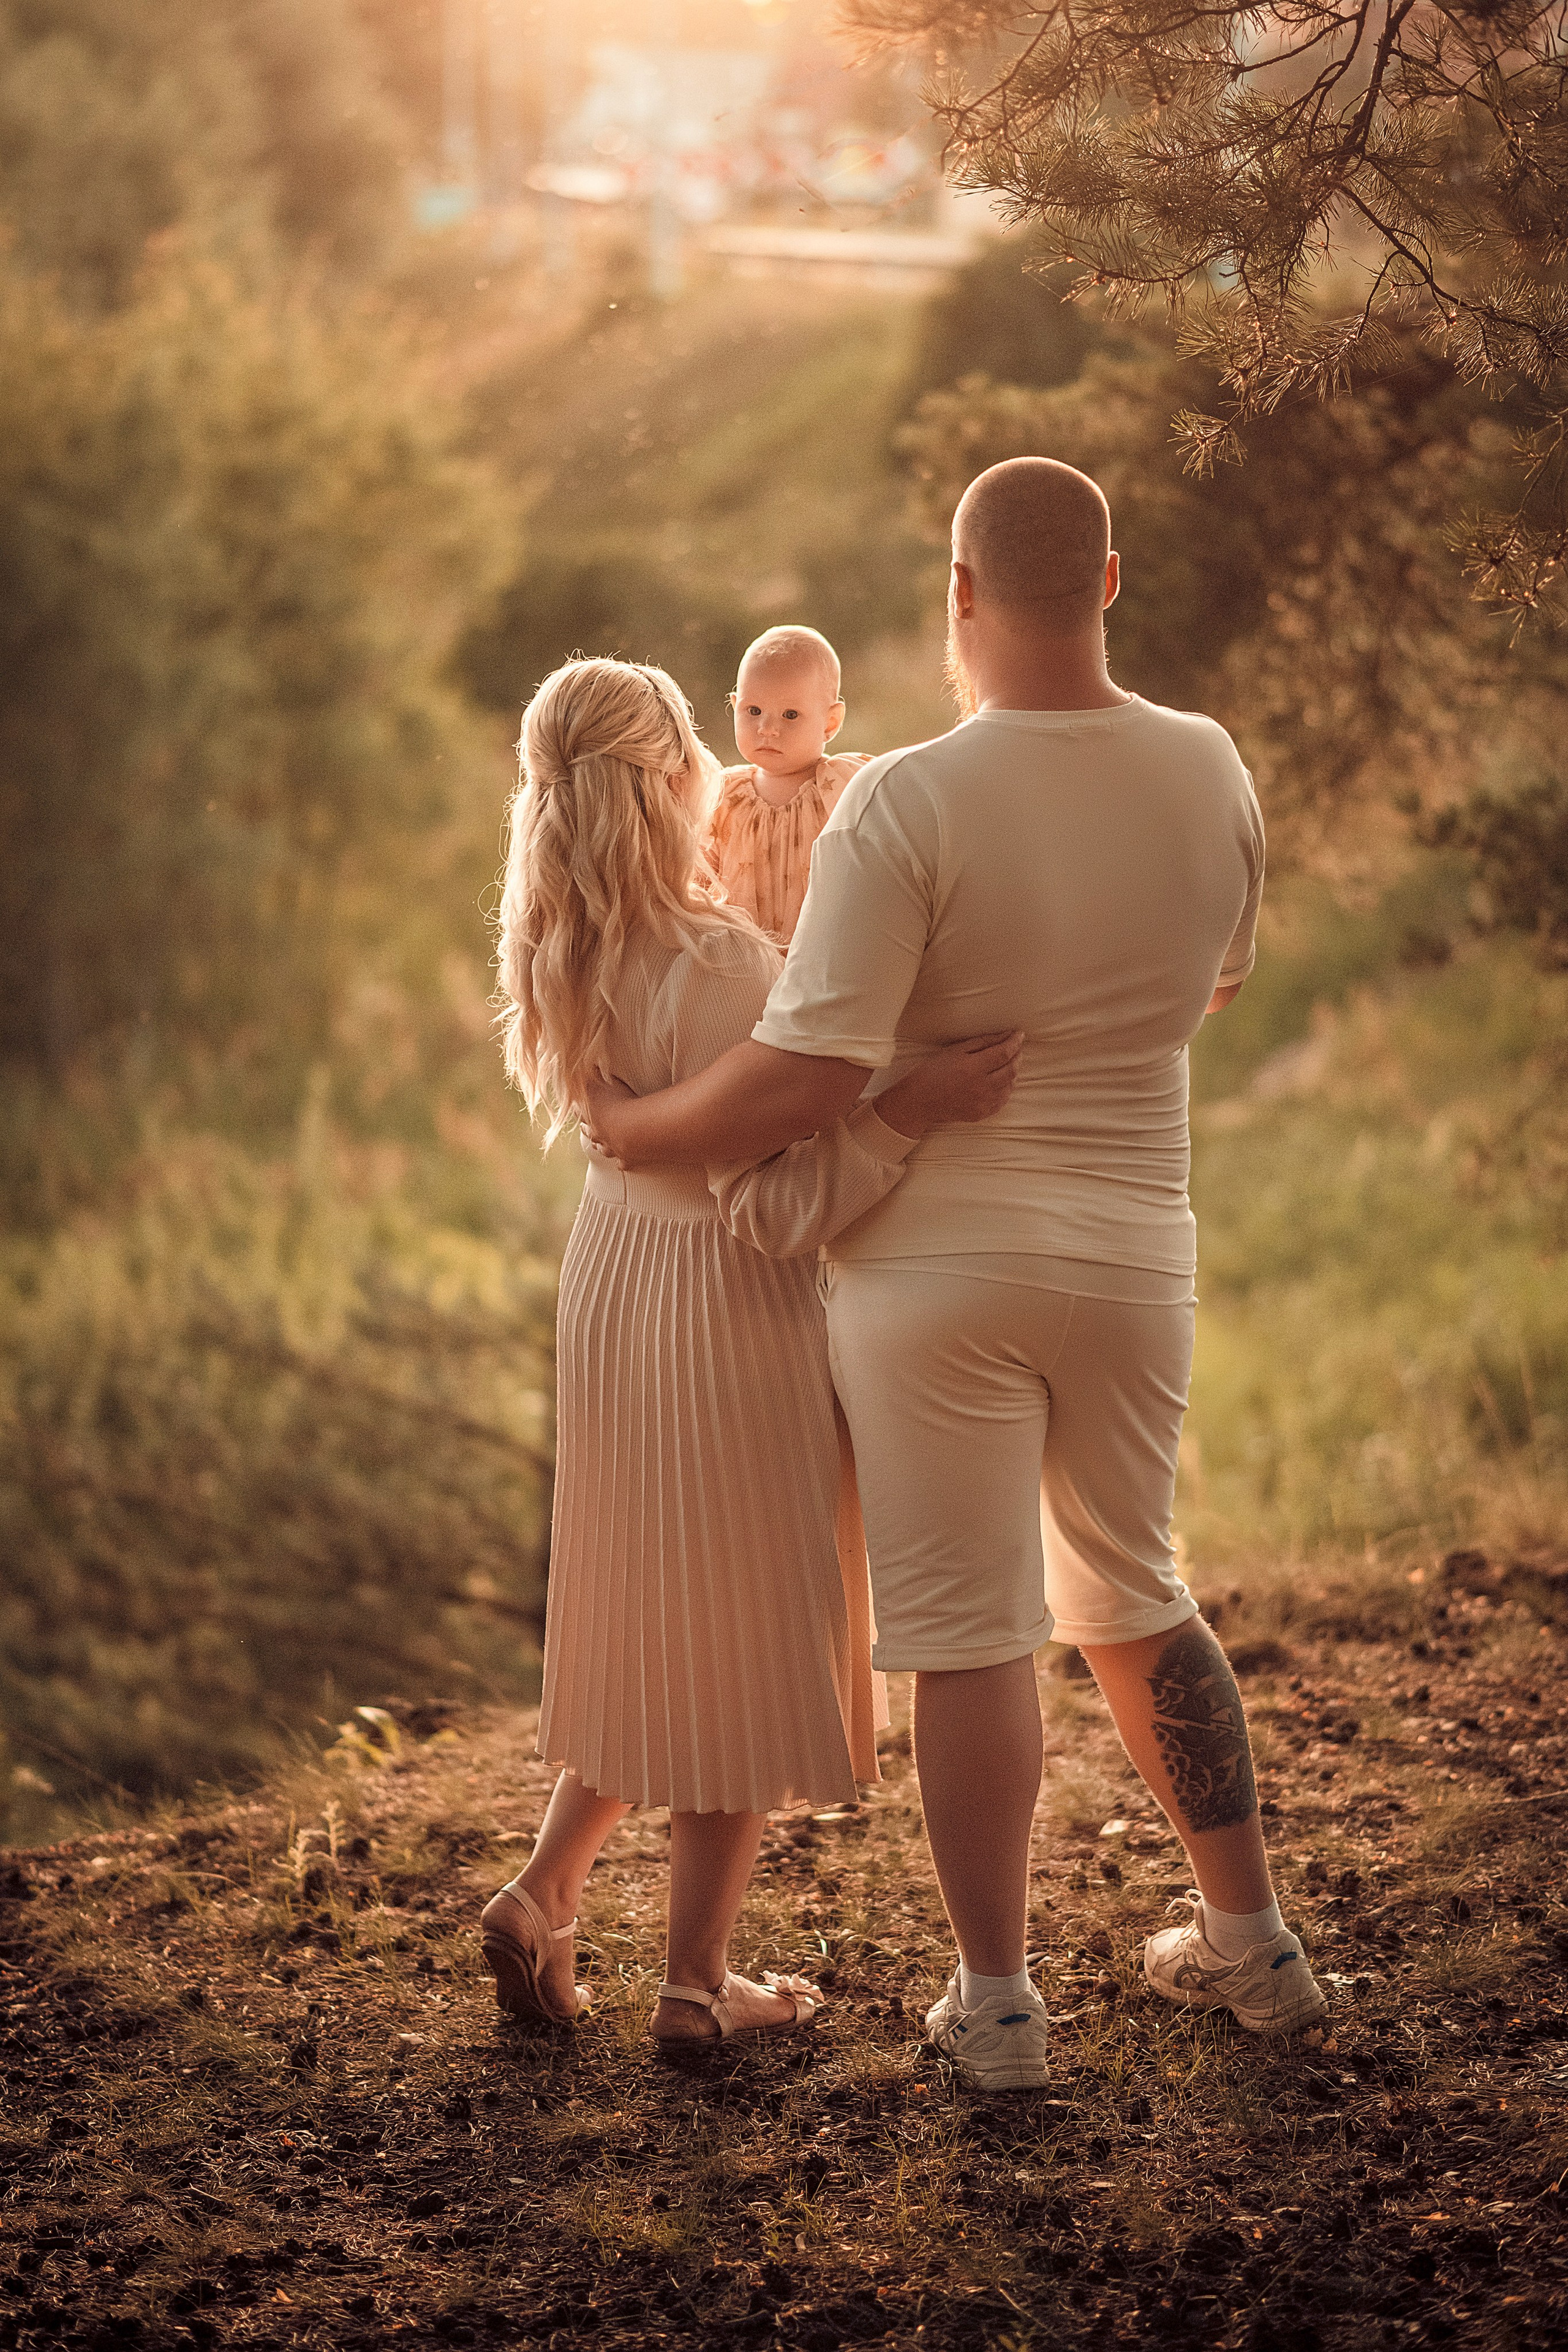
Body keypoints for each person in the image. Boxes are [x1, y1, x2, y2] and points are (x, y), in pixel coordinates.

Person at [584, 459, 1328, 2089]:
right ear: (1112, 580)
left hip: (930, 1272)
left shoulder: (905, 799)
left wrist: (642, 1127)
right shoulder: (1210, 769)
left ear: (961, 593)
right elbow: (1206, 987)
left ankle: (998, 2006)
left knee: (974, 1632)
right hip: (1136, 1252)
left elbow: (799, 1070)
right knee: (1138, 1590)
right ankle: (1254, 1942)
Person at [481, 655, 1020, 2051]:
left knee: (651, 1607)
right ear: (671, 781)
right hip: (721, 1303)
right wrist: (910, 1108)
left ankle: (543, 1893)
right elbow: (777, 1207)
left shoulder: (557, 943)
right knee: (742, 1619)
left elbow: (657, 1139)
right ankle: (693, 1985)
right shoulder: (717, 960)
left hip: (614, 1278)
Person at [707, 624, 869, 944]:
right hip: (743, 965)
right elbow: (701, 881)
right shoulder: (723, 794)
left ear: (830, 722)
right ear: (734, 705)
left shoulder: (843, 785)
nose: (767, 728)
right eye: (753, 711)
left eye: (790, 715)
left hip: (824, 958)